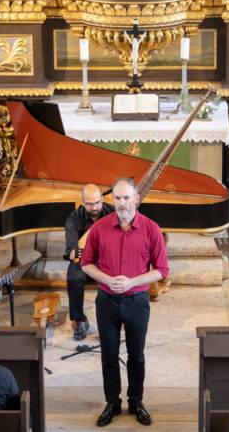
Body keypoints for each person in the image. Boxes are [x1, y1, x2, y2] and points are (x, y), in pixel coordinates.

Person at [81, 178, 169, 427]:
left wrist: (132, 282)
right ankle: (112, 402)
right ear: (112, 200)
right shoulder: (99, 229)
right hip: (106, 301)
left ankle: (136, 401)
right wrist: (107, 279)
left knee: (136, 355)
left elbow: (161, 270)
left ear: (136, 199)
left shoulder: (151, 229)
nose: (121, 203)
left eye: (126, 198)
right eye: (117, 198)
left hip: (137, 301)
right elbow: (86, 263)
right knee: (108, 355)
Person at [64, 183, 114, 341]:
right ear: (83, 202)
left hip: (107, 260)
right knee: (73, 278)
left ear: (102, 199)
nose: (94, 207)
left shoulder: (111, 212)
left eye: (97, 202)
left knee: (117, 276)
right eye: (90, 204)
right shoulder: (74, 218)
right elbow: (72, 253)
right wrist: (86, 251)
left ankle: (111, 320)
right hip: (84, 261)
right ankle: (79, 320)